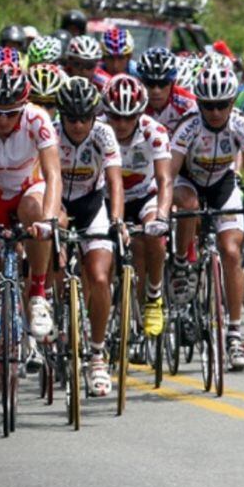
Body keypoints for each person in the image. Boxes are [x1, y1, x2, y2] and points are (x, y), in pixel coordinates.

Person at [169, 64, 244, 370]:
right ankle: (181, 263)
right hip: (188, 181)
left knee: (232, 252)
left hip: (223, 184)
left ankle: (234, 334)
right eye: (208, 105)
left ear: (232, 102)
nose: (215, 112)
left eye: (222, 105)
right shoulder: (188, 127)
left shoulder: (242, 126)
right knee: (189, 202)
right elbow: (169, 173)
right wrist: (164, 205)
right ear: (198, 103)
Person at [0, 62, 61, 361]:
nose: (2, 120)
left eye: (11, 114)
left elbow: (53, 175)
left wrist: (48, 221)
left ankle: (37, 294)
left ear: (23, 107)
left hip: (27, 189)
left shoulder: (37, 118)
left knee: (34, 209)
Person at [54, 75, 125, 395]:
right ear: (61, 115)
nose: (79, 125)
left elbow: (115, 182)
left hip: (92, 205)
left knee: (98, 276)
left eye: (85, 118)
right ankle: (56, 318)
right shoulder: (51, 134)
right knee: (54, 265)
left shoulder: (103, 133)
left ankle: (97, 355)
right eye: (71, 118)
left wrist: (117, 219)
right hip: (57, 204)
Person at [102, 75, 173, 339]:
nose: (121, 124)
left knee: (154, 237)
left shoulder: (154, 132)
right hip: (108, 199)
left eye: (128, 117)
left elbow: (165, 180)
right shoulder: (98, 129)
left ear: (140, 114)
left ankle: (154, 297)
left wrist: (162, 217)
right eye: (115, 117)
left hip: (145, 196)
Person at [137, 47, 197, 134]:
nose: (156, 91)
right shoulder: (133, 102)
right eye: (150, 83)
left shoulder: (189, 105)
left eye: (163, 83)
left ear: (173, 83)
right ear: (141, 82)